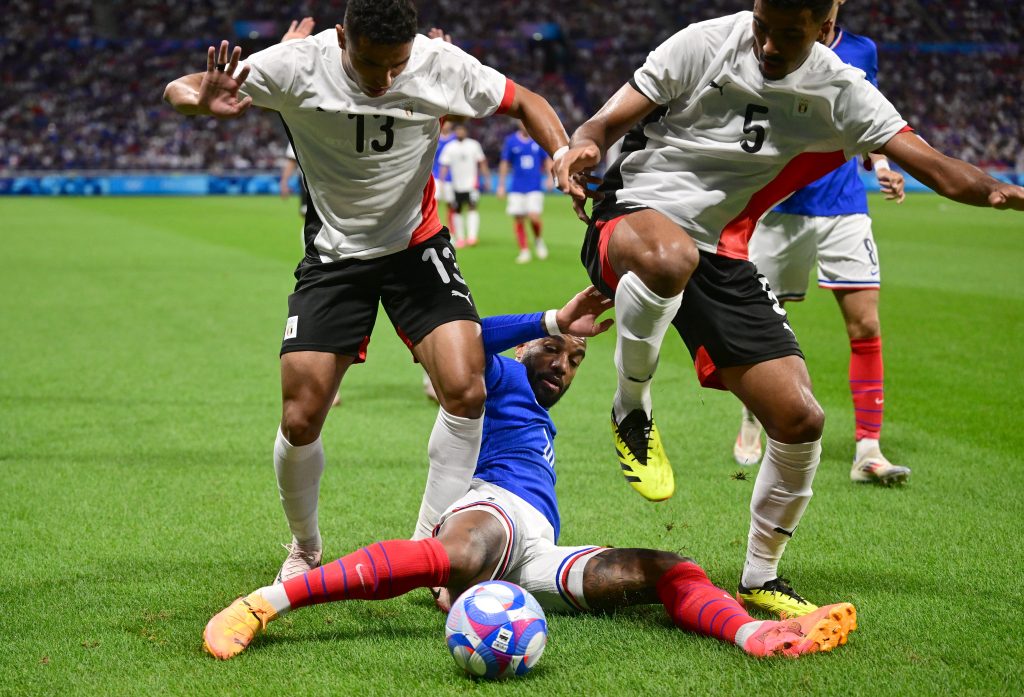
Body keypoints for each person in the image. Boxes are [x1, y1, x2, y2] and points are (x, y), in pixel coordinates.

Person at [555, 0, 1024, 617]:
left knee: (800, 418)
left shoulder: (840, 90)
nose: (770, 46)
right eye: (762, 27)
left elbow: (940, 169)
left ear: (828, 29)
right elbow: (604, 122)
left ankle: (761, 576)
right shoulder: (703, 43)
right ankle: (630, 409)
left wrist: (1001, 192)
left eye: (789, 35)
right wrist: (584, 146)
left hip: (717, 250)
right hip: (631, 217)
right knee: (669, 258)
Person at [202, 287, 857, 661]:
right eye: (555, 350)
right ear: (524, 351)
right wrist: (546, 321)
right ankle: (266, 603)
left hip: (537, 550)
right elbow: (464, 336)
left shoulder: (543, 422)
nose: (564, 364)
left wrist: (558, 336)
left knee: (667, 567)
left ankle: (757, 632)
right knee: (463, 548)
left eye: (576, 360)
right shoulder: (499, 373)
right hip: (486, 507)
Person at [163, 0, 569, 584]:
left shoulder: (438, 64)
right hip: (335, 258)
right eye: (369, 64)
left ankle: (429, 546)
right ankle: (305, 548)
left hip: (415, 248)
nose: (383, 80)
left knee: (465, 386)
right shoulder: (296, 65)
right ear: (341, 37)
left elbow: (527, 101)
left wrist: (560, 155)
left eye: (395, 65)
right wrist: (197, 101)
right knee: (302, 417)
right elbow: (182, 86)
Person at [731, 0, 910, 486]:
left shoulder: (861, 51)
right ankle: (753, 415)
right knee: (765, 327)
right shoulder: (764, 42)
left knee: (865, 323)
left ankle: (868, 450)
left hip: (845, 205)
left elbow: (867, 114)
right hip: (780, 208)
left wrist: (884, 164)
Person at [497, 125, 551, 263]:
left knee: (534, 217)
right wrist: (501, 185)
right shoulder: (511, 141)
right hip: (516, 188)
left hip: (535, 186)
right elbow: (504, 162)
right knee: (519, 219)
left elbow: (547, 160)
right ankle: (524, 250)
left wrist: (550, 178)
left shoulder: (538, 139)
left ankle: (538, 240)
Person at [438, 124, 490, 248]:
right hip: (456, 184)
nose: (460, 132)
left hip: (472, 184)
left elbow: (482, 162)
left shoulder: (473, 145)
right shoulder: (450, 147)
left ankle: (472, 237)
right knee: (457, 210)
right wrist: (442, 182)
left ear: (466, 132)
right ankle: (460, 237)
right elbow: (444, 165)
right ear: (455, 132)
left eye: (462, 130)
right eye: (458, 130)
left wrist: (486, 178)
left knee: (472, 207)